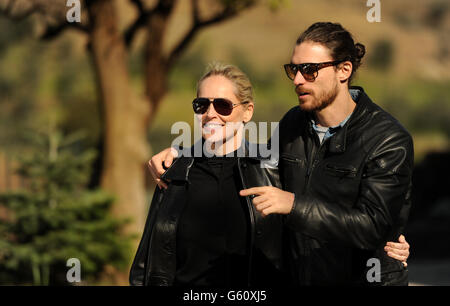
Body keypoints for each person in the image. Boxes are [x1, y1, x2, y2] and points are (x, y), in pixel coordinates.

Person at [147, 22, 412, 286]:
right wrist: (179, 154)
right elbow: (250, 162)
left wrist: (293, 205)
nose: (297, 80)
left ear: (344, 70)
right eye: (294, 69)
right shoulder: (293, 123)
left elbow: (372, 227)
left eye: (309, 70)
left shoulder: (387, 139)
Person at [129, 62, 287, 286]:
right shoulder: (175, 171)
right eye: (201, 105)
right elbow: (147, 260)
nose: (210, 114)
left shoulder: (271, 169)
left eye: (223, 105)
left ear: (247, 111)